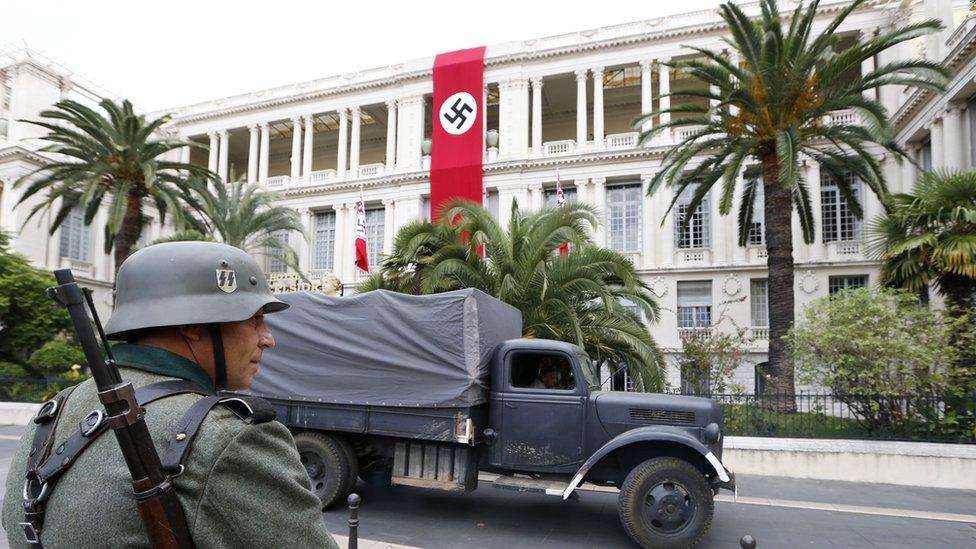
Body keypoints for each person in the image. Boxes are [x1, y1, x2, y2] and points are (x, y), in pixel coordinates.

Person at [2, 242, 339, 548]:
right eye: (254, 320)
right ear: (193, 325)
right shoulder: (227, 437)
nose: (267, 339)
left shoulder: (55, 410)